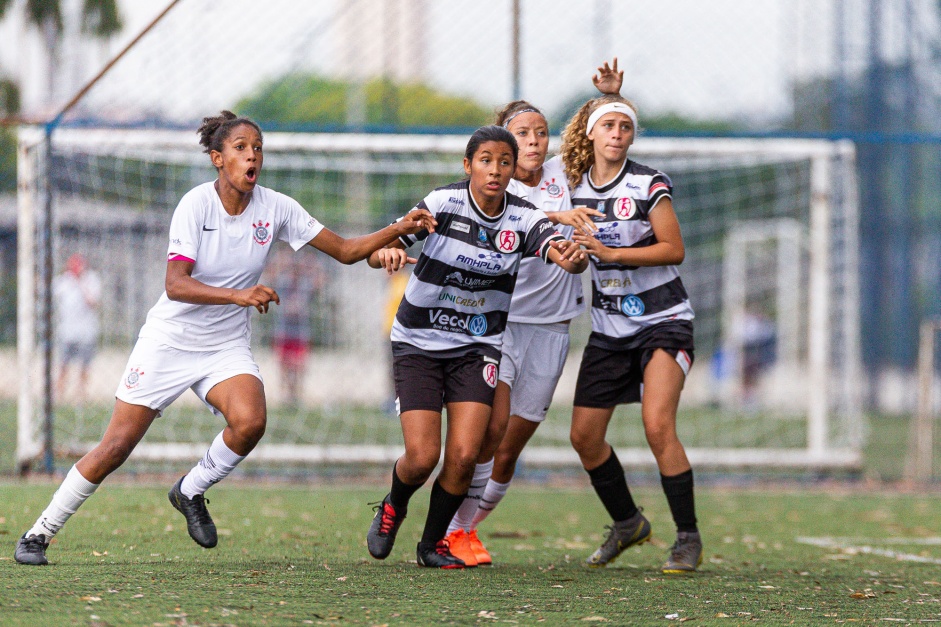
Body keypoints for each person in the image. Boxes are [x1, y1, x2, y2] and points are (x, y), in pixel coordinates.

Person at [14, 110, 435, 566]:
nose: (252, 155)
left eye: (257, 148)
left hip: (224, 348)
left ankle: (189, 490)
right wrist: (238, 295)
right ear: (218, 158)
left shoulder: (278, 208)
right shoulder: (196, 205)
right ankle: (38, 534)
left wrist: (399, 228)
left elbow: (348, 251)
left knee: (251, 421)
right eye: (240, 148)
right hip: (169, 341)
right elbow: (176, 283)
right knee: (116, 447)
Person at [364, 125, 588, 569]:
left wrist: (571, 257)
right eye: (486, 160)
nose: (496, 170)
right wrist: (385, 253)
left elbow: (555, 246)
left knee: (465, 455)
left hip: (477, 345)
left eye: (504, 162)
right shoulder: (441, 203)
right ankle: (394, 504)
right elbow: (382, 244)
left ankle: (432, 545)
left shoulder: (523, 217)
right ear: (468, 166)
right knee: (422, 457)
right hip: (419, 342)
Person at [441, 60, 625, 567]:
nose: (535, 141)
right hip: (500, 326)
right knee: (489, 432)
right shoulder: (497, 184)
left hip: (552, 327)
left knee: (509, 448)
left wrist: (608, 98)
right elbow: (512, 220)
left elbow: (600, 138)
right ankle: (451, 531)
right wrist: (557, 218)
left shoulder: (563, 176)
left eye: (542, 133)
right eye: (524, 132)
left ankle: (465, 529)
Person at [563, 94, 703, 573]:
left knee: (657, 423)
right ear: (592, 133)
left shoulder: (648, 183)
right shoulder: (572, 190)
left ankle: (687, 538)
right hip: (608, 327)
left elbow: (674, 248)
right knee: (584, 437)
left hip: (663, 320)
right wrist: (578, 256)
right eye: (609, 125)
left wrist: (612, 253)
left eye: (626, 126)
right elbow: (574, 251)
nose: (618, 133)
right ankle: (628, 523)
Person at [269, 248, 324, 405]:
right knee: (284, 365)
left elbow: (320, 281)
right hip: (284, 330)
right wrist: (280, 258)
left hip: (301, 331)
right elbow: (270, 274)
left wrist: (312, 264)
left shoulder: (305, 284)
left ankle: (297, 395)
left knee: (299, 365)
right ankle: (287, 395)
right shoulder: (282, 282)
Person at [54, 253, 102, 403]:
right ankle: (59, 394)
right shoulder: (63, 281)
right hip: (67, 330)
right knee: (63, 363)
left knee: (84, 364)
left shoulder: (92, 279)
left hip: (86, 331)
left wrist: (81, 283)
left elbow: (92, 302)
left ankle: (80, 394)